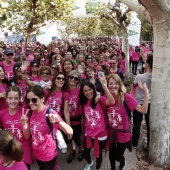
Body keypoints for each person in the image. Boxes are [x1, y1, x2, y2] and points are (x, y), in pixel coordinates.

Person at [106, 74, 149, 170]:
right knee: (111, 154)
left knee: (118, 155)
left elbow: (143, 110)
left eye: (116, 83)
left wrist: (146, 93)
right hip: (111, 132)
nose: (113, 86)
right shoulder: (106, 98)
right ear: (107, 86)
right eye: (111, 84)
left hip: (123, 134)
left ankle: (122, 161)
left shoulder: (126, 97)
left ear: (120, 84)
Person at [26, 85, 73, 170]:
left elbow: (70, 131)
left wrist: (58, 122)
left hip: (48, 154)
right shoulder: (30, 113)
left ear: (42, 99)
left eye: (34, 99)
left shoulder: (50, 113)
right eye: (28, 100)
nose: (31, 103)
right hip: (37, 153)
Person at [79, 74, 115, 170]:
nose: (88, 92)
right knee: (85, 153)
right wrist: (83, 131)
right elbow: (84, 117)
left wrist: (104, 87)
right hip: (88, 133)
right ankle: (90, 162)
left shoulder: (100, 100)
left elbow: (111, 101)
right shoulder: (83, 103)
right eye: (85, 91)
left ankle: (97, 168)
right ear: (82, 93)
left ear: (93, 89)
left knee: (98, 155)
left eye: (90, 90)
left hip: (101, 133)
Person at [0, 86, 32, 169]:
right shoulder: (2, 113)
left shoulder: (25, 112)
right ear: (6, 99)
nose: (13, 101)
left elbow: (27, 136)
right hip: (9, 150)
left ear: (20, 99)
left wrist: (24, 124)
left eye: (16, 98)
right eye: (10, 98)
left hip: (23, 149)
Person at [132, 52, 153, 149]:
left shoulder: (139, 77)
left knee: (137, 124)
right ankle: (149, 144)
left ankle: (134, 143)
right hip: (149, 104)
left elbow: (134, 85)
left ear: (147, 64)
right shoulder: (154, 78)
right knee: (149, 125)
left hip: (138, 103)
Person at [65, 70, 83, 163]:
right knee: (67, 139)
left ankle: (80, 151)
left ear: (78, 80)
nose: (72, 79)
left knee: (76, 138)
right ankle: (72, 152)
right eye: (71, 77)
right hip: (65, 118)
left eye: (75, 78)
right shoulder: (64, 89)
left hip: (76, 118)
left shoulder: (80, 90)